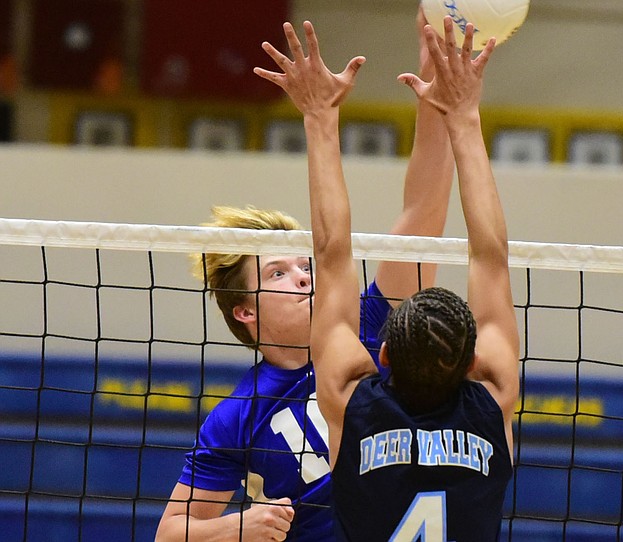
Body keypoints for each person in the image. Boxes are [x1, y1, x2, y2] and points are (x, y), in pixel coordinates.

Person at [155, 9, 457, 542]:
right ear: (245, 312)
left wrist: (435, 83)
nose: (302, 276)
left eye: (303, 262)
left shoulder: (370, 322)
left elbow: (423, 214)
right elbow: (171, 534)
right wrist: (237, 525)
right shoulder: (238, 416)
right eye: (277, 271)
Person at [260, 16, 520, 541]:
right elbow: (490, 255)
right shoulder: (492, 400)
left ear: (380, 355)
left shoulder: (350, 401)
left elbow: (331, 253)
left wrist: (319, 118)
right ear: (471, 363)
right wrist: (465, 117)